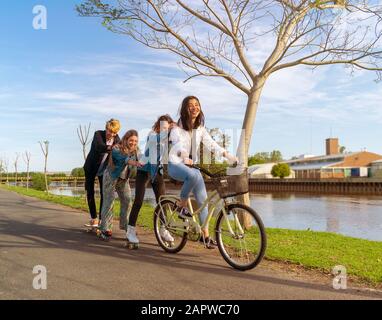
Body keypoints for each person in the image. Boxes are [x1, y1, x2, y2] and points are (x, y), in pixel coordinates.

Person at [168, 96, 237, 249]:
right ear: (185, 109)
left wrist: (227, 155)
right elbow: (178, 145)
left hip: (193, 166)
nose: (194, 107)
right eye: (190, 105)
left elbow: (212, 145)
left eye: (197, 105)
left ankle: (205, 236)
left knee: (203, 199)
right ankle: (181, 206)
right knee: (192, 175)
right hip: (175, 164)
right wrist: (185, 156)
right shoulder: (176, 128)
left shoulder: (200, 129)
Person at [126, 115, 176, 247]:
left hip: (157, 172)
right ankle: (130, 230)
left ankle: (163, 229)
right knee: (138, 201)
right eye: (163, 127)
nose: (165, 129)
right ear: (158, 126)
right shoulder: (152, 135)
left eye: (167, 126)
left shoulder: (167, 140)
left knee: (162, 202)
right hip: (144, 171)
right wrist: (169, 131)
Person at [98, 130, 143, 241]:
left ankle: (126, 225)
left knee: (128, 201)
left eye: (136, 141)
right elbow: (124, 159)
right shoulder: (117, 148)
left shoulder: (137, 151)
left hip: (123, 180)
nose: (133, 143)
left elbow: (142, 158)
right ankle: (105, 229)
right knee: (109, 201)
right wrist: (136, 163)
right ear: (126, 139)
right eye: (131, 140)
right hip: (111, 178)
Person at [84, 119, 121, 227]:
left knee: (103, 194)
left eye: (114, 132)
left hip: (103, 170)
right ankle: (93, 218)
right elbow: (99, 147)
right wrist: (111, 147)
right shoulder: (98, 134)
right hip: (91, 168)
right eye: (110, 131)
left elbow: (119, 153)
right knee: (90, 192)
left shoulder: (117, 139)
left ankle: (101, 219)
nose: (111, 134)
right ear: (106, 128)